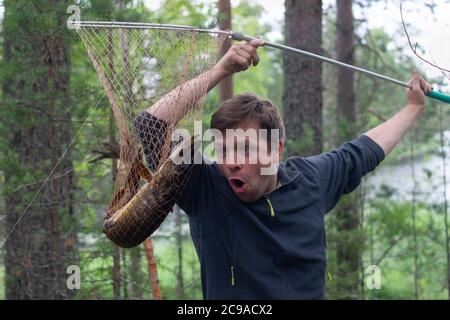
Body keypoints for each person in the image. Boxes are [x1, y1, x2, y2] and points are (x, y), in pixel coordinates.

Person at [134, 39, 433, 299]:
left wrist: (413, 108)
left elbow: (362, 152)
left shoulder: (310, 181)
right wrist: (222, 69)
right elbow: (150, 126)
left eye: (246, 148)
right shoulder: (207, 190)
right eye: (223, 150)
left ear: (276, 149)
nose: (231, 162)